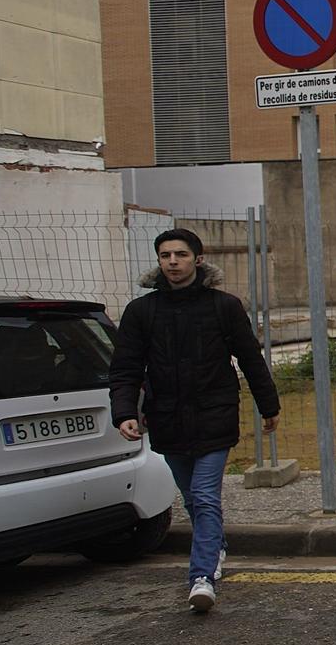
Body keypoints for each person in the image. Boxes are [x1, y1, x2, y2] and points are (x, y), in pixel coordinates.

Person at [109, 228, 279, 613]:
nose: (173, 262)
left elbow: (250, 358)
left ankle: (201, 577)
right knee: (192, 498)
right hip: (167, 420)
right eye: (166, 255)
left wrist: (268, 405)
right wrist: (124, 412)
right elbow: (126, 368)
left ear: (198, 260)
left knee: (203, 496)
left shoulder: (224, 306)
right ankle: (215, 545)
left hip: (214, 417)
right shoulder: (141, 311)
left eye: (181, 254)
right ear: (158, 261)